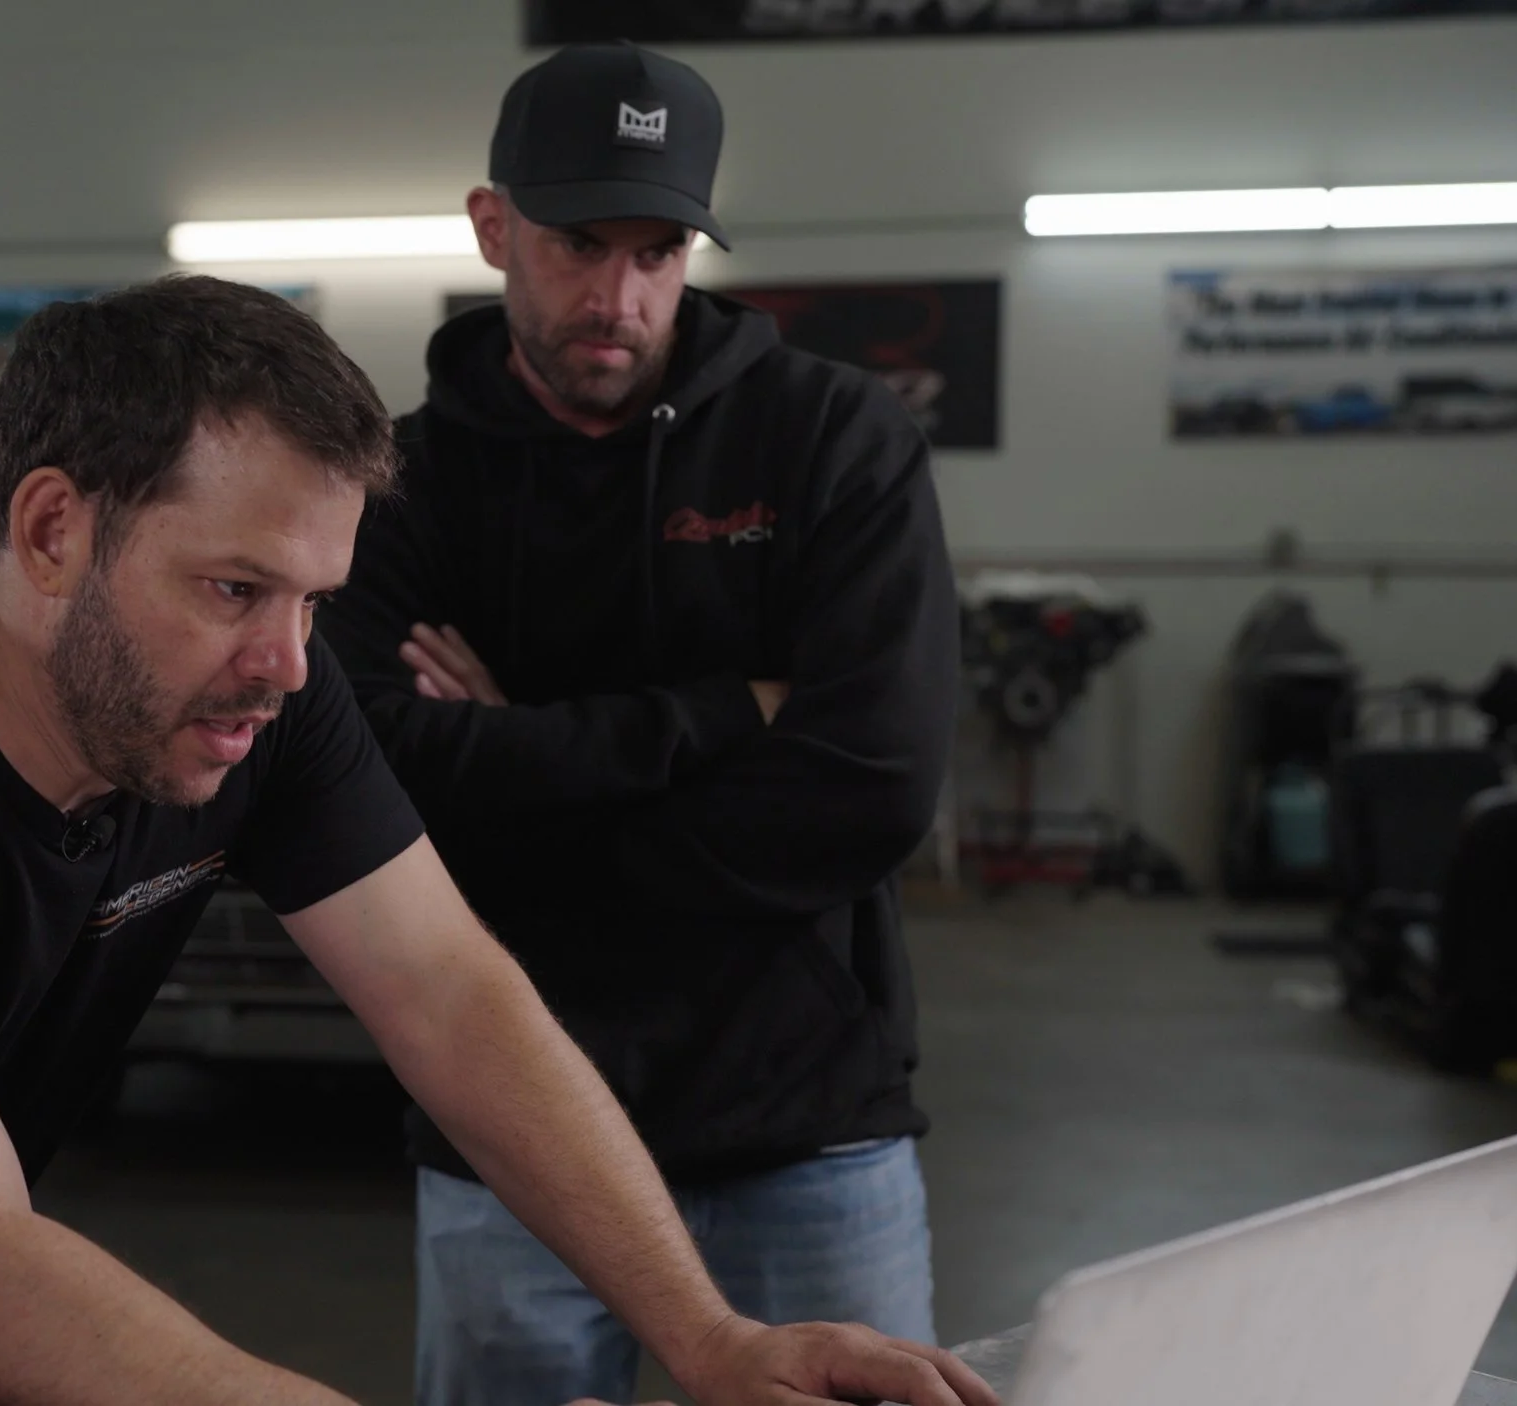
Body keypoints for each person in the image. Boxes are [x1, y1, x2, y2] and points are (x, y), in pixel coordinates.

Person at [0, 276, 991, 1406]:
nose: (289, 662)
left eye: (316, 599)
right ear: (53, 526)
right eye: (233, 587)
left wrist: (706, 1340)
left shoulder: (257, 699)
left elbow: (447, 991)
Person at [318, 43, 963, 1406]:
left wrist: (525, 766)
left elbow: (876, 785)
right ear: (494, 227)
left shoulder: (833, 441)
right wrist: (726, 712)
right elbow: (374, 776)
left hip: (807, 1126)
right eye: (578, 244)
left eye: (659, 250)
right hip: (512, 1125)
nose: (618, 296)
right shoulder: (401, 483)